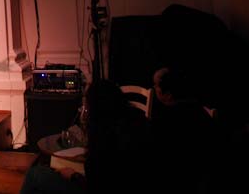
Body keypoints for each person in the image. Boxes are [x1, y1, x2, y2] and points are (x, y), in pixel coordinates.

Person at [20, 79, 156, 194]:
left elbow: (96, 184)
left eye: (87, 103)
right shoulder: (137, 120)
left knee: (35, 174)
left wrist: (73, 175)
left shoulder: (104, 135)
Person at [151, 66, 218, 193]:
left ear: (169, 94)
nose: (154, 89)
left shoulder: (170, 118)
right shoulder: (195, 107)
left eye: (156, 86)